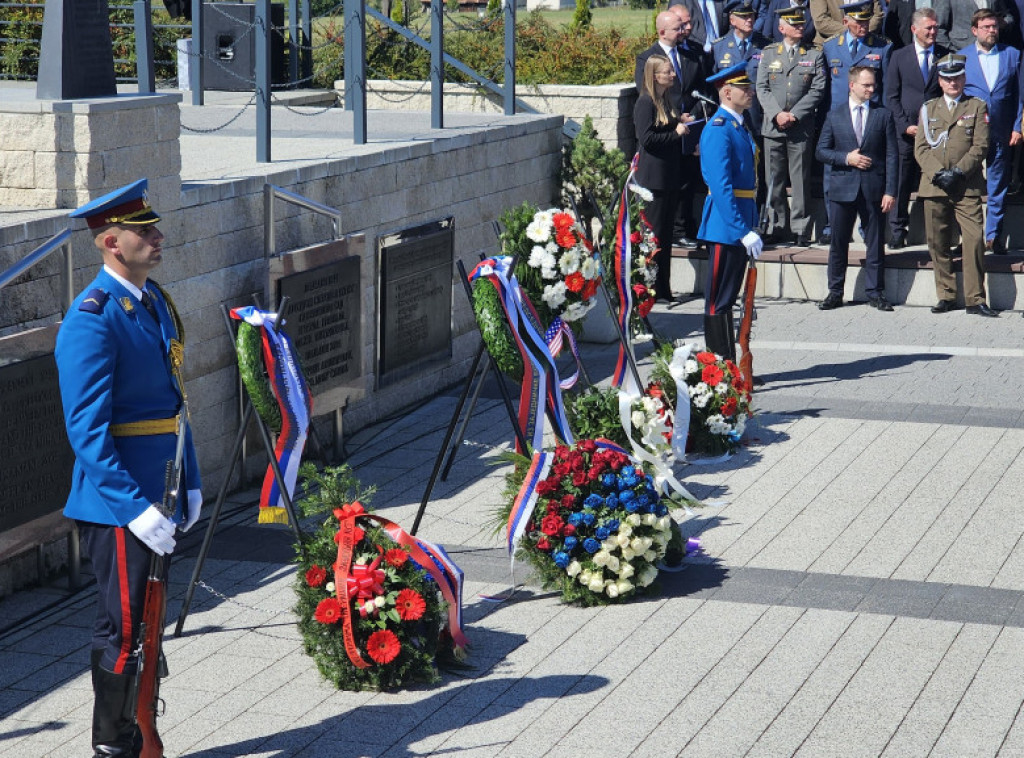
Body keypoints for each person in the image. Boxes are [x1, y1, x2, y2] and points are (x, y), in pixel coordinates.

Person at [56, 178, 202, 757]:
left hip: (159, 495)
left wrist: (189, 479)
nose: (158, 237)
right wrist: (135, 509)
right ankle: (111, 745)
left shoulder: (153, 300)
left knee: (148, 624)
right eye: (145, 232)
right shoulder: (92, 319)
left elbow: (175, 403)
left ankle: (141, 729)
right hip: (122, 507)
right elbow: (87, 433)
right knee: (122, 630)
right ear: (110, 242)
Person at [914, 54, 997, 316]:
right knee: (938, 242)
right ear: (940, 81)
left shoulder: (976, 106)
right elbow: (921, 148)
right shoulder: (928, 109)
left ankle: (975, 298)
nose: (953, 83)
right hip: (935, 184)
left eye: (958, 77)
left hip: (966, 185)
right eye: (948, 79)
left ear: (964, 78)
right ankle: (946, 295)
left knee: (973, 240)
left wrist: (959, 172)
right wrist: (939, 173)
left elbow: (981, 145)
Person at [816, 64, 898, 310]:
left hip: (873, 188)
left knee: (874, 242)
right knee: (838, 242)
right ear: (852, 85)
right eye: (866, 85)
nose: (871, 89)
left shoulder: (883, 115)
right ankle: (835, 291)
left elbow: (892, 155)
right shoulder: (835, 115)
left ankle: (875, 292)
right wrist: (846, 158)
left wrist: (890, 190)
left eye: (873, 85)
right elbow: (821, 151)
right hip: (842, 188)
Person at [697, 62, 763, 360]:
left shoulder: (738, 125)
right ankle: (720, 370)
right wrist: (741, 230)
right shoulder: (718, 129)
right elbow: (721, 188)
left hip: (738, 224)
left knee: (730, 298)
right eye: (743, 88)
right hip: (725, 228)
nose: (750, 92)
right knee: (718, 301)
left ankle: (729, 368)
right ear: (726, 92)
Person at [820, 0, 892, 243]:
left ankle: (866, 225)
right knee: (834, 171)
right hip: (839, 119)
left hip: (869, 119)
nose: (864, 25)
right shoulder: (830, 47)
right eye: (858, 21)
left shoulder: (882, 47)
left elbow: (888, 87)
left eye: (866, 20)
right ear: (845, 22)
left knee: (869, 170)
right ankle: (833, 224)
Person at [757, 6, 827, 246]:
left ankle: (800, 229)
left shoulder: (814, 54)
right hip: (773, 127)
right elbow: (761, 88)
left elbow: (817, 89)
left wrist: (794, 114)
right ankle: (776, 225)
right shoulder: (768, 54)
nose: (800, 27)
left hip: (800, 126)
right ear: (781, 28)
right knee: (773, 180)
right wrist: (777, 114)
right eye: (794, 24)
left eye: (801, 24)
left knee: (800, 180)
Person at [959, 8, 1023, 255]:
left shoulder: (1012, 55)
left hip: (1002, 130)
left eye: (994, 26)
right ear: (975, 30)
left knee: (998, 184)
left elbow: (1019, 95)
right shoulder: (963, 57)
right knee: (968, 185)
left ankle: (993, 235)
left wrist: (1017, 126)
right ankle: (969, 236)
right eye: (986, 27)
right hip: (970, 135)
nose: (991, 31)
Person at [883, 8, 947, 249]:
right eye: (928, 28)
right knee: (901, 181)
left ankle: (940, 232)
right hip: (906, 132)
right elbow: (891, 96)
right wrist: (904, 125)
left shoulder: (944, 55)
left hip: (936, 134)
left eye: (935, 27)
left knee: (937, 180)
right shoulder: (899, 56)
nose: (933, 32)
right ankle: (898, 229)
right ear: (914, 29)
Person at [634, 55, 693, 301]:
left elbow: (664, 127)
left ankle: (664, 288)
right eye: (668, 72)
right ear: (655, 75)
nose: (672, 75)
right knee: (655, 236)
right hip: (653, 178)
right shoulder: (645, 103)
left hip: (669, 175)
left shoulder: (665, 100)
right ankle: (651, 289)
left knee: (666, 237)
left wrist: (679, 121)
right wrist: (676, 133)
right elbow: (647, 139)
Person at [713, 0, 771, 233]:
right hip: (730, 121)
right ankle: (732, 220)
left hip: (757, 119)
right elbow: (714, 86)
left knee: (759, 172)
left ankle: (757, 221)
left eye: (752, 16)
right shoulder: (719, 47)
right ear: (732, 20)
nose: (750, 20)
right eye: (744, 17)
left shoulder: (765, 45)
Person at [933, 0, 1017, 51]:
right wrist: (952, 51)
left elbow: (1008, 16)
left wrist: (1004, 23)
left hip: (992, 52)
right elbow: (939, 29)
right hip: (961, 53)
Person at [810, 0, 883, 43]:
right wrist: (851, 33)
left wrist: (864, 31)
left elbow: (878, 15)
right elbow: (820, 21)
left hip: (865, 43)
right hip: (830, 45)